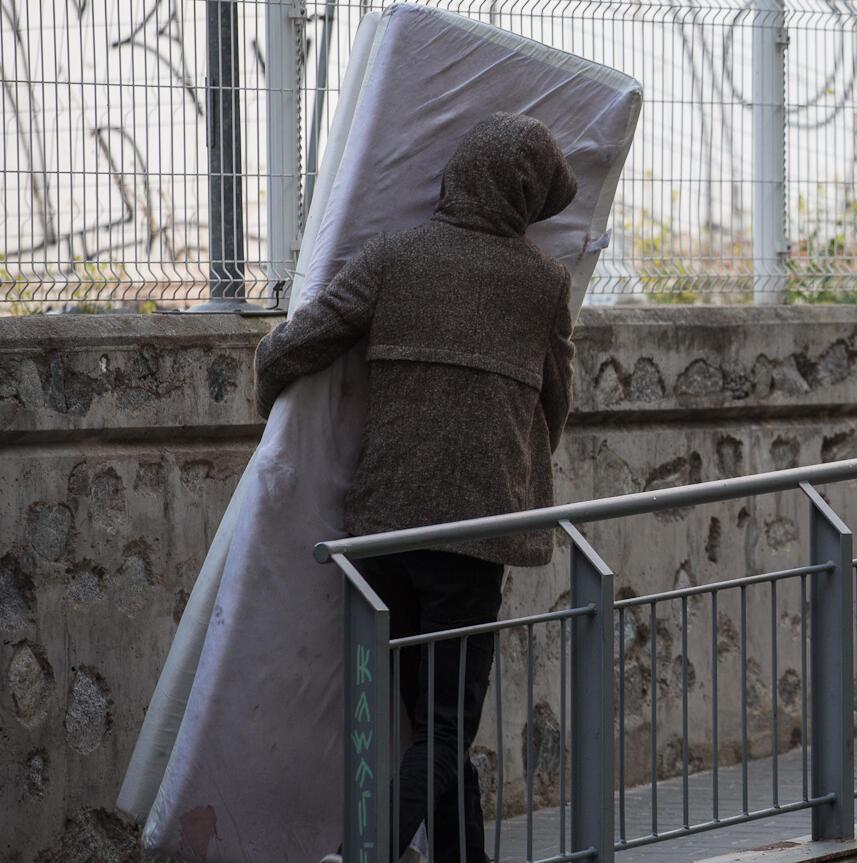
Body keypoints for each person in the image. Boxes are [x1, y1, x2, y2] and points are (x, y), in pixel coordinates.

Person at [253, 112, 578, 863]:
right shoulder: (543, 283)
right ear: (525, 195)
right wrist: (510, 463)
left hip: (384, 530)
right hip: (473, 537)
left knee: (428, 726)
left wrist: (270, 403)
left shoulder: (395, 255)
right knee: (444, 727)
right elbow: (556, 403)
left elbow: (300, 342)